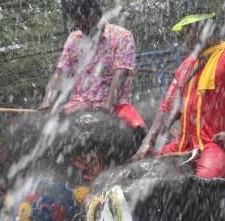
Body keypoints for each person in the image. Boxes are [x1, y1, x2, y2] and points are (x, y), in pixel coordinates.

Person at [133, 13, 225, 179]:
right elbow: (168, 108)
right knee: (143, 173)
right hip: (183, 146)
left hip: (217, 147)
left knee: (202, 185)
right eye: (184, 33)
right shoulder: (187, 66)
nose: (186, 39)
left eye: (190, 31)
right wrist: (147, 142)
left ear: (206, 31)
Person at [40, 0, 146, 130]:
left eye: (80, 20)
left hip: (116, 106)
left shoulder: (122, 37)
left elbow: (120, 75)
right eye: (75, 20)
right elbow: (60, 73)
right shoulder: (74, 39)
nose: (78, 25)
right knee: (46, 130)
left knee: (138, 131)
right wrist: (48, 101)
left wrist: (107, 109)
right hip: (77, 105)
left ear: (94, 15)